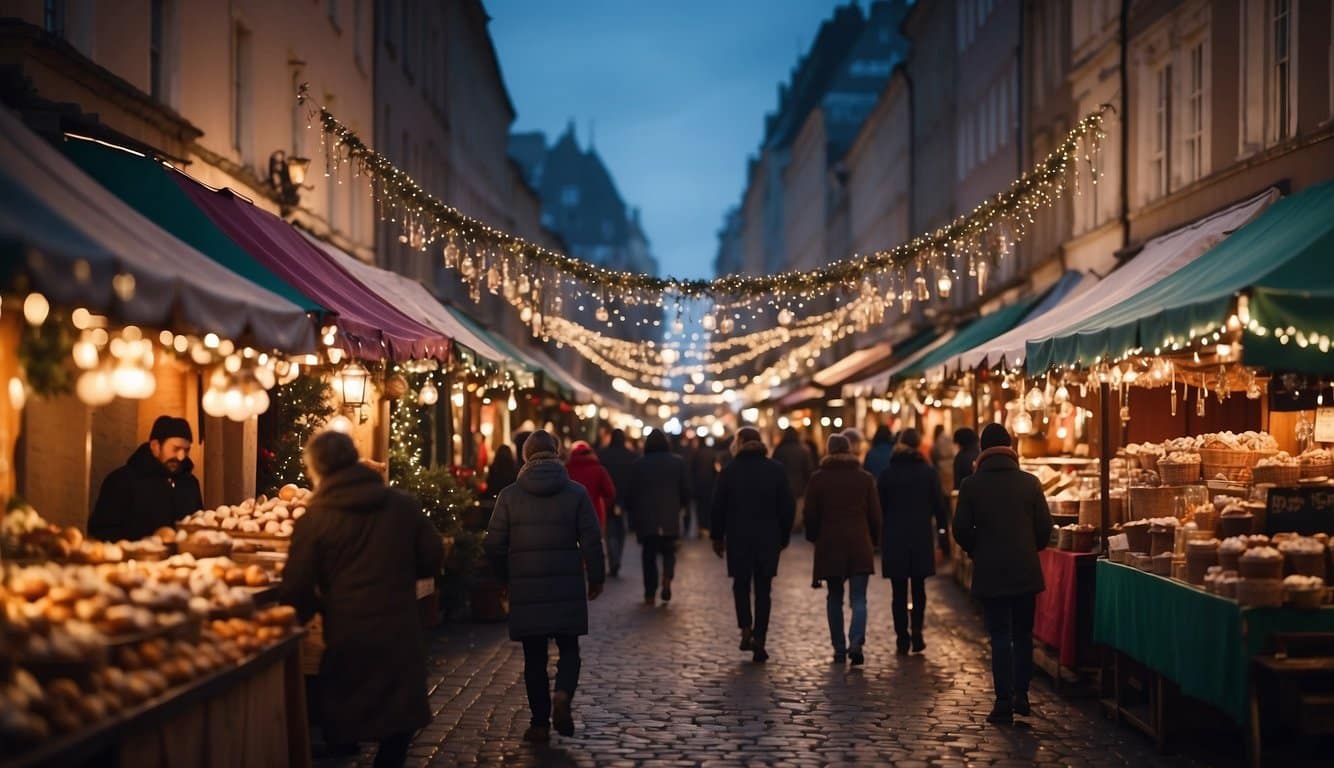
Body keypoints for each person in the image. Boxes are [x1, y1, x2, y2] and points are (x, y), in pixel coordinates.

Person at [280, 430, 444, 767]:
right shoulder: (400, 505)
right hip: (399, 629)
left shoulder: (315, 519)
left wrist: (310, 610)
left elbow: (297, 586)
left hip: (347, 632)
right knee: (397, 717)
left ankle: (343, 745)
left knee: (343, 705)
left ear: (317, 470)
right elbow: (432, 556)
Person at [485, 430, 605, 742]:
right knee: (569, 648)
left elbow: (494, 544)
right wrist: (597, 577)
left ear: (525, 456)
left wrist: (504, 579)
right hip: (566, 581)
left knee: (534, 657)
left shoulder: (509, 495)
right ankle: (563, 694)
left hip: (527, 585)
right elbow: (592, 539)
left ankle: (539, 723)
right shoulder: (576, 493)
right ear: (557, 454)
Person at [953, 424, 1053, 724]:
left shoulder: (971, 485)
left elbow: (960, 529)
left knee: (999, 635)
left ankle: (1002, 701)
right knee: (1023, 634)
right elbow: (1045, 528)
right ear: (1010, 447)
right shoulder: (1030, 482)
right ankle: (1022, 694)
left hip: (991, 570)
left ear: (983, 450)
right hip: (1024, 570)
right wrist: (1029, 548)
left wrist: (976, 548)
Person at [710, 427, 795, 663]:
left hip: (739, 537)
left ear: (740, 443)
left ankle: (746, 628)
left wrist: (717, 536)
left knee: (741, 584)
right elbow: (787, 506)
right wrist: (784, 535)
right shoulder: (775, 470)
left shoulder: (729, 471)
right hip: (768, 538)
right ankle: (760, 637)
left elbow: (718, 507)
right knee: (764, 589)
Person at [804, 434, 881, 666]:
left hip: (830, 545)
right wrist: (874, 540)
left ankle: (839, 648)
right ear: (850, 449)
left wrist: (814, 537)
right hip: (859, 543)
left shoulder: (818, 479)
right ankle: (856, 641)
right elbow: (875, 515)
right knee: (859, 598)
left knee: (834, 597)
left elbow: (810, 515)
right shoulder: (865, 478)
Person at [877, 428, 947, 655]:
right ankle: (916, 631)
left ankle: (901, 637)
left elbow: (880, 508)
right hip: (920, 536)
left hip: (894, 536)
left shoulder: (888, 473)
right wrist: (943, 536)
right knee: (919, 588)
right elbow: (939, 507)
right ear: (918, 446)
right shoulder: (927, 472)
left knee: (898, 591)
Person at [90, 416, 203, 541]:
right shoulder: (122, 481)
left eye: (186, 450)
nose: (181, 457)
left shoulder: (190, 484)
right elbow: (102, 531)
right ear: (155, 446)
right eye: (175, 449)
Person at [626, 430, 690, 605]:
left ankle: (650, 592)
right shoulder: (678, 462)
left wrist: (632, 513)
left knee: (649, 555)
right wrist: (682, 507)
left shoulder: (639, 464)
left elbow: (631, 492)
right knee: (669, 551)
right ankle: (667, 579)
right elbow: (685, 490)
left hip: (646, 517)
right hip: (670, 515)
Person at [597, 429, 638, 578]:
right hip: (624, 498)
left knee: (610, 529)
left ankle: (613, 556)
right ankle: (617, 556)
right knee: (621, 528)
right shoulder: (632, 456)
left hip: (608, 497)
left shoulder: (602, 454)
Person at [565, 441, 615, 532]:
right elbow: (610, 493)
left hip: (571, 515)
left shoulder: (566, 470)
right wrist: (603, 504)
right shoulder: (599, 470)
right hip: (595, 513)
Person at [773, 427, 814, 533]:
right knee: (798, 505)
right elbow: (808, 469)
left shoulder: (780, 449)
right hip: (799, 483)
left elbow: (774, 467)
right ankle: (796, 525)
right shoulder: (803, 450)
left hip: (784, 483)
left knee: (784, 505)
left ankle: (787, 524)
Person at [689, 436, 718, 540]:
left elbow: (692, 469)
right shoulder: (712, 453)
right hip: (710, 484)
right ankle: (708, 527)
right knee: (709, 506)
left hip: (698, 485)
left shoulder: (696, 453)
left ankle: (701, 528)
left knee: (700, 507)